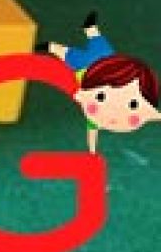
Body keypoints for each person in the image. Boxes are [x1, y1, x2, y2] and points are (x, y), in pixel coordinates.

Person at [36, 12, 161, 153]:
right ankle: (88, 29)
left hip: (86, 66)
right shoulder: (97, 111)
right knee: (93, 45)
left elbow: (92, 133)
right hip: (103, 61)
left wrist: (92, 152)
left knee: (68, 53)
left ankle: (55, 44)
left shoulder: (96, 115)